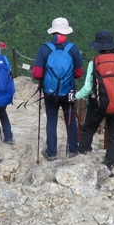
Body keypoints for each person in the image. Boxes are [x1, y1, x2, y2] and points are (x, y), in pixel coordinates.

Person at [75, 30, 114, 177]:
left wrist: (76, 96)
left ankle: (83, 151)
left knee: (89, 128)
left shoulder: (94, 62)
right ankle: (110, 163)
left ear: (98, 46)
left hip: (98, 104)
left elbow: (88, 88)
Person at [32, 17, 84, 160]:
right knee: (70, 118)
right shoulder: (73, 49)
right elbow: (79, 73)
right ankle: (73, 149)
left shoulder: (44, 49)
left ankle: (51, 152)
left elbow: (37, 74)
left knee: (51, 119)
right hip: (68, 92)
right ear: (66, 32)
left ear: (52, 32)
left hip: (50, 93)